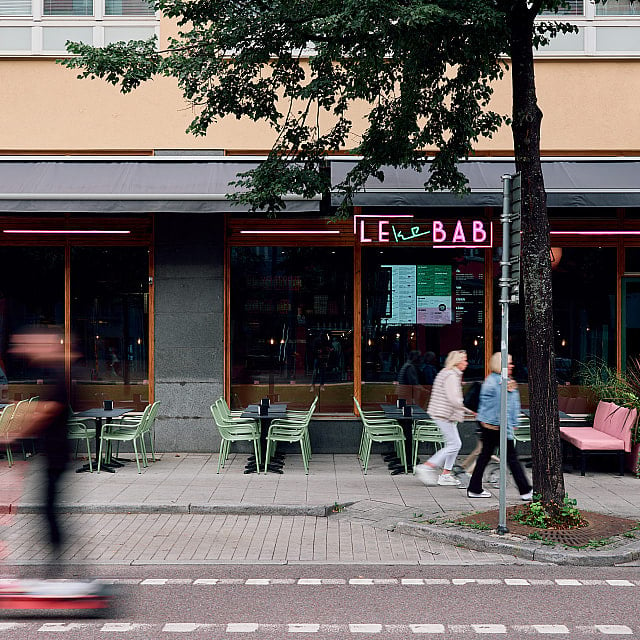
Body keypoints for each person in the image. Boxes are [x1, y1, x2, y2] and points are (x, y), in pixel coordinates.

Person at [8, 327, 71, 567]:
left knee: (48, 507)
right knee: (48, 506)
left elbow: (49, 411)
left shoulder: (58, 374)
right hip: (54, 453)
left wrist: (18, 434)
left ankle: (56, 557)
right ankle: (55, 555)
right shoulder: (56, 373)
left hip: (56, 453)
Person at [466, 352, 532, 500]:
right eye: (509, 363)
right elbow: (500, 408)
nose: (512, 365)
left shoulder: (498, 380)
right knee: (511, 459)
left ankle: (474, 488)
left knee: (486, 456)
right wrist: (506, 427)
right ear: (500, 364)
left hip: (493, 426)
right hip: (496, 427)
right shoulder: (499, 383)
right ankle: (525, 490)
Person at [415, 350, 471, 487]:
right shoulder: (451, 375)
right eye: (464, 360)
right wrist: (470, 410)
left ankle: (446, 474)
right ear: (457, 361)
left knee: (453, 444)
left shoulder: (448, 373)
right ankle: (427, 467)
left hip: (444, 413)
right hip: (443, 413)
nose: (466, 363)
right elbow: (454, 399)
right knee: (454, 444)